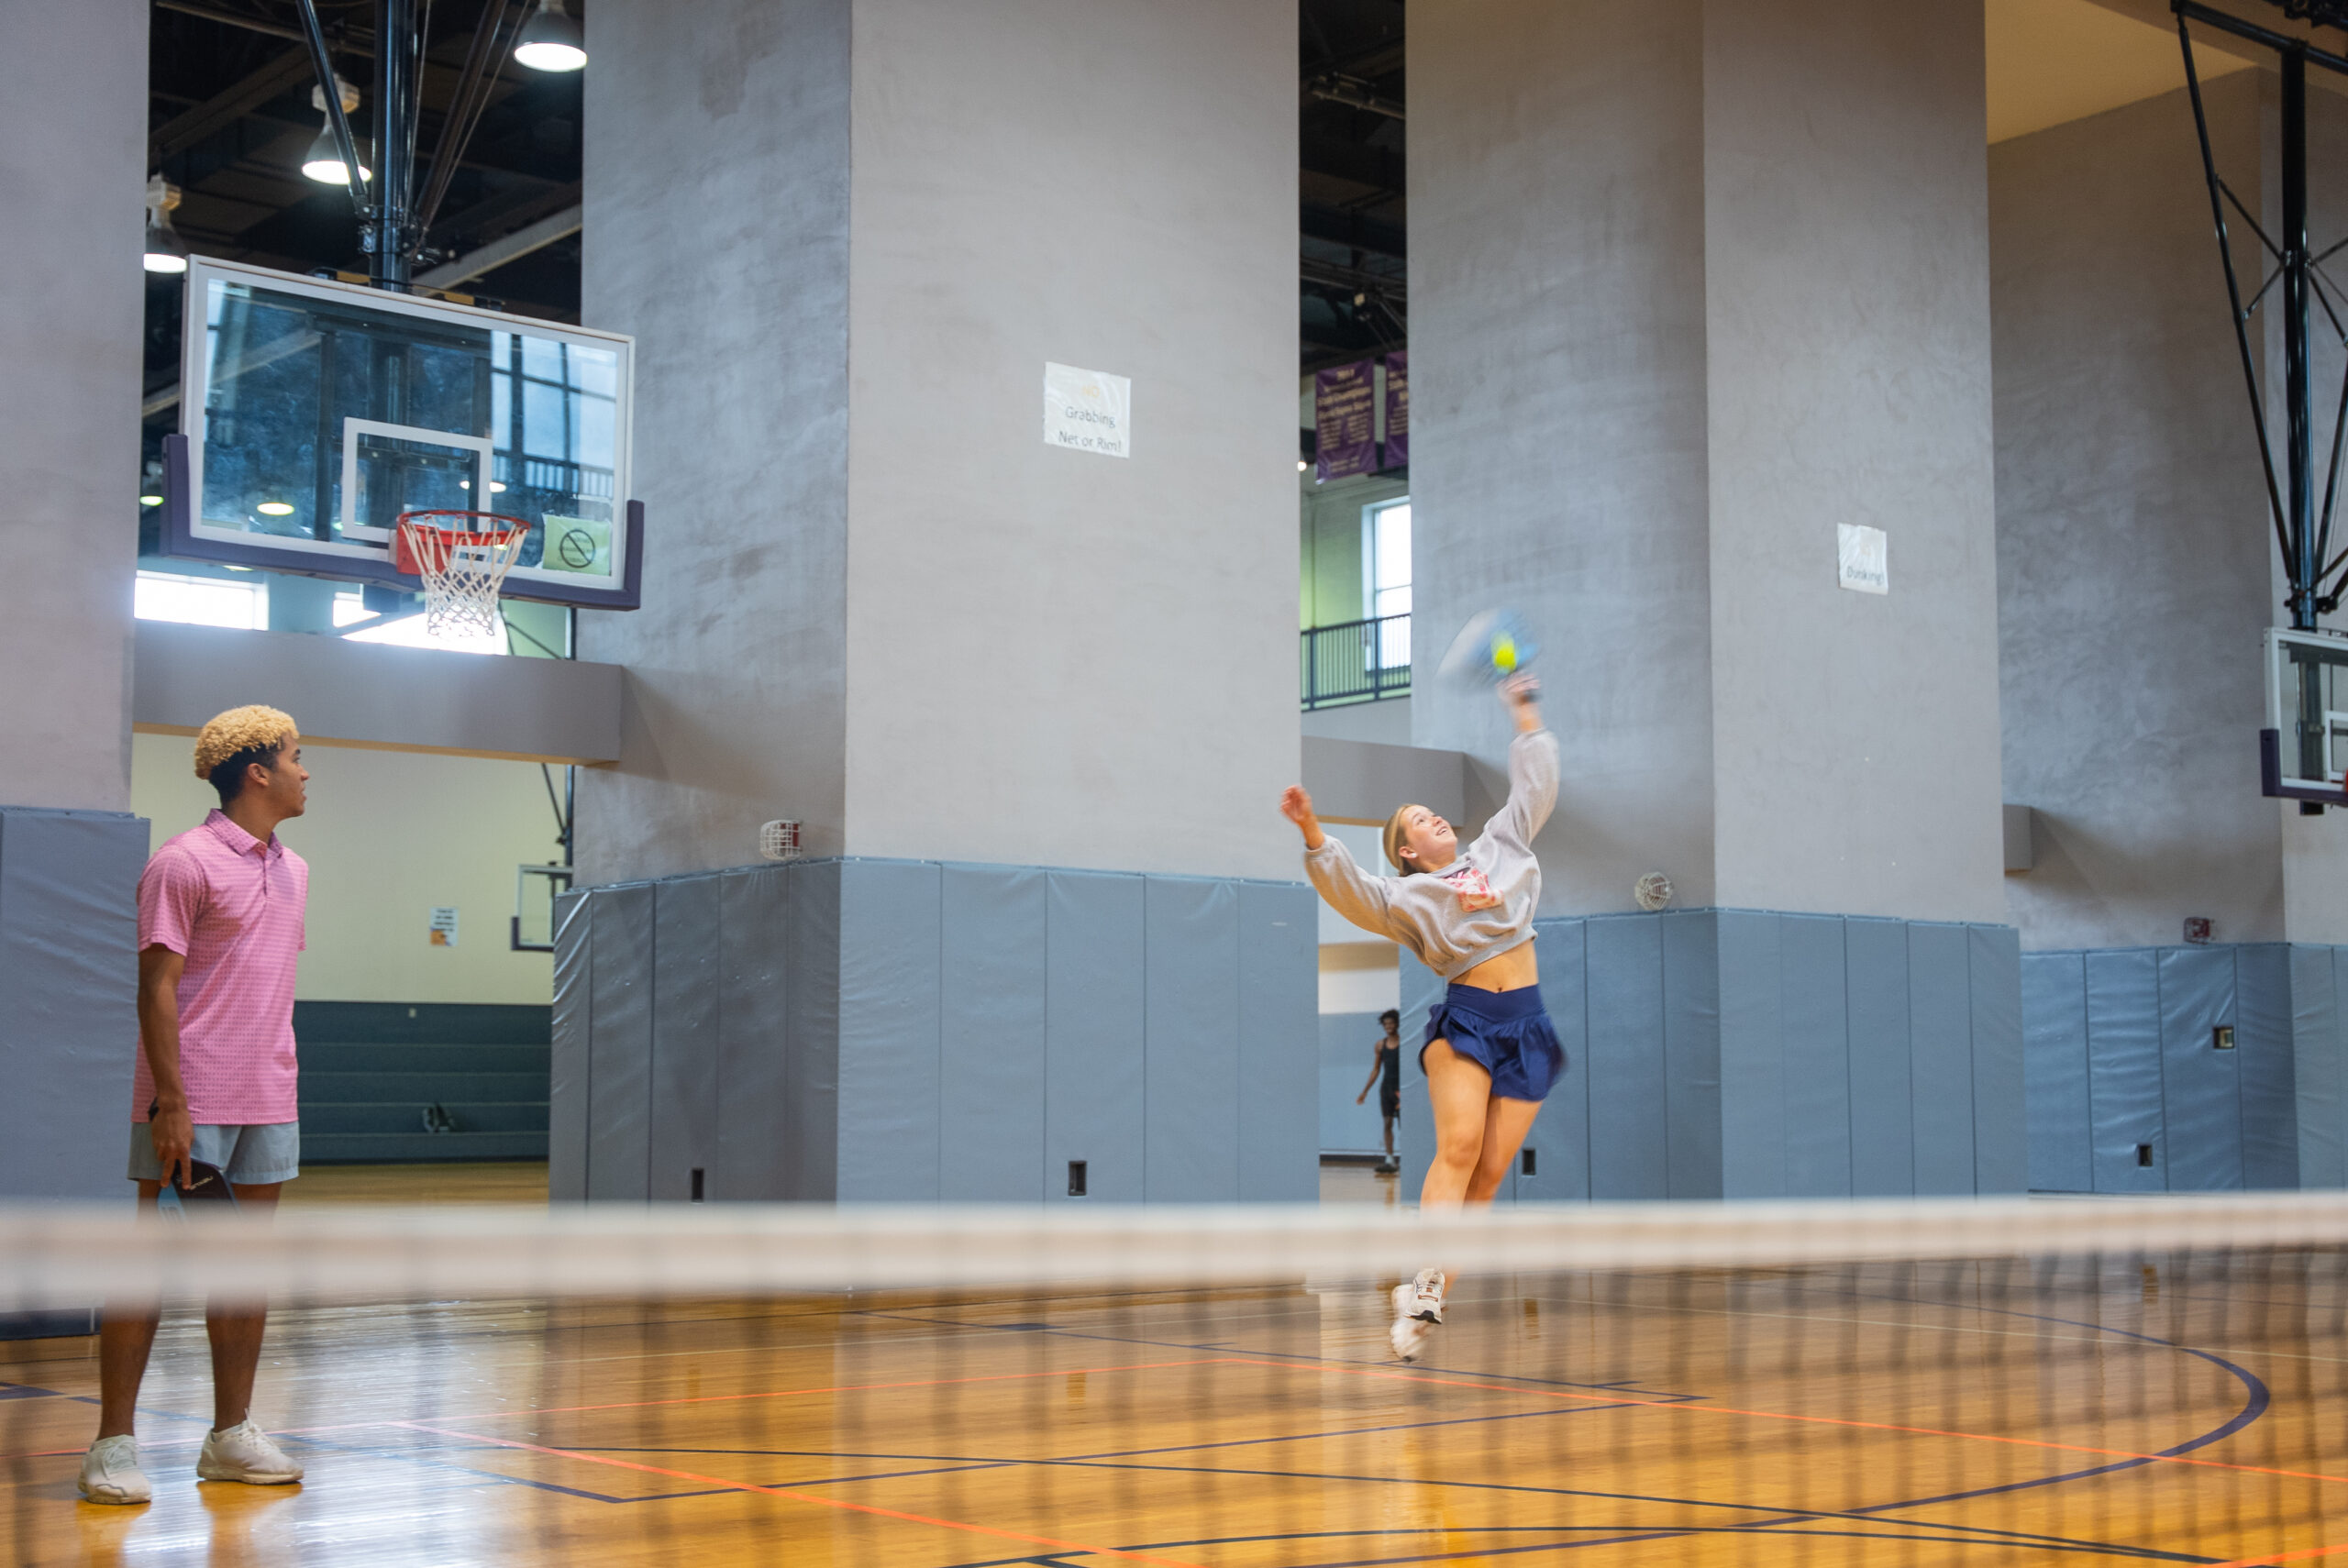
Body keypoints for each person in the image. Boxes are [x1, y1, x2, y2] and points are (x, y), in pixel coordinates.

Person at [1280, 673, 1559, 1361]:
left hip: (1528, 1025)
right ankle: (1428, 1287)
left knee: (1490, 1176)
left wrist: (1525, 715)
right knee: (1459, 1149)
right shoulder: (1408, 896)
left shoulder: (1501, 847)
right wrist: (1315, 832)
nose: (1436, 818)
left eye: (1436, 813)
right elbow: (1351, 890)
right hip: (1466, 1021)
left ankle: (1423, 1299)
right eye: (1418, 822)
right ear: (1407, 851)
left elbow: (1535, 789)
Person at [79, 706, 312, 1506]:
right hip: (191, 1102)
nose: (305, 771)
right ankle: (112, 1444)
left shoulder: (296, 870)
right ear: (257, 772)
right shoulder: (182, 863)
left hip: (269, 1097)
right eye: (294, 757)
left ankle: (231, 1436)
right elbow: (156, 987)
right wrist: (170, 1101)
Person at [1354, 1009, 1403, 1173]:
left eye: (1391, 1023)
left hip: (1401, 1089)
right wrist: (1365, 1091)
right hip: (1386, 1088)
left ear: (1396, 1024)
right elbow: (1376, 1069)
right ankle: (1390, 1160)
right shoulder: (1380, 1045)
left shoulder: (1404, 1042)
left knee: (1404, 1125)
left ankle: (1409, 1157)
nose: (1388, 1026)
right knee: (1387, 1123)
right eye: (1385, 1024)